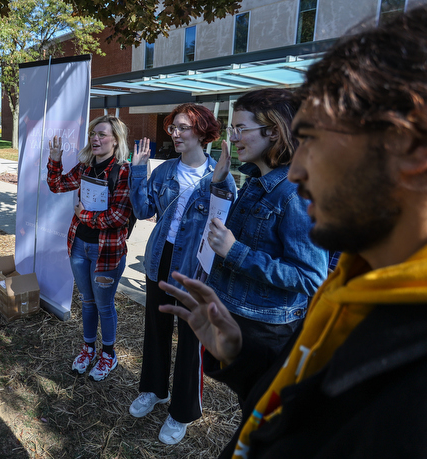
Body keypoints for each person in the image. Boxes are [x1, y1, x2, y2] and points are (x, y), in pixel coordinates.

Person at [159, 4, 427, 457]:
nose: (295, 171)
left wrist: (237, 254)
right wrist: (241, 358)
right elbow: (296, 413)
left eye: (313, 138)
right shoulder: (361, 280)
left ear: (421, 141)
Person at [127, 103, 237, 444]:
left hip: (195, 269)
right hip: (160, 258)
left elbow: (225, 227)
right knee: (156, 329)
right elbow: (144, 209)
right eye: (173, 128)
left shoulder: (219, 176)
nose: (174, 134)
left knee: (191, 341)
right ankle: (154, 390)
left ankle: (182, 411)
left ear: (202, 131)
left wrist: (220, 183)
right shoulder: (164, 172)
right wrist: (138, 171)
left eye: (182, 128)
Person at [205, 88, 328, 356]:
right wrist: (218, 182)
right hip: (240, 317)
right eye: (231, 129)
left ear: (274, 131)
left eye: (241, 128)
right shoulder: (256, 181)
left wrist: (234, 252)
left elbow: (310, 277)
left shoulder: (297, 192)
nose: (233, 138)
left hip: (266, 330)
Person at [46, 115, 133, 382]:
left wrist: (84, 217)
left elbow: (119, 217)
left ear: (116, 141)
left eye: (102, 134)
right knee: (87, 301)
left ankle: (108, 354)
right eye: (93, 133)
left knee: (104, 306)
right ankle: (88, 349)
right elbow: (57, 185)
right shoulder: (85, 167)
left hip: (106, 252)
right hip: (79, 246)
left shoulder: (123, 171)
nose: (95, 138)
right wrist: (56, 159)